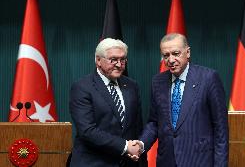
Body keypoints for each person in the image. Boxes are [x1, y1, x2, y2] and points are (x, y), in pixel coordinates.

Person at [132, 33, 229, 167]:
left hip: (199, 161)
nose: (170, 60)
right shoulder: (158, 81)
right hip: (167, 161)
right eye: (166, 55)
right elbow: (154, 122)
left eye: (175, 53)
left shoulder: (208, 78)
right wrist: (141, 144)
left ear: (187, 53)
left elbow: (221, 129)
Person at [69, 38, 147, 167]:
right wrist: (125, 146)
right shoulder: (82, 87)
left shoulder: (132, 86)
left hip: (128, 163)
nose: (118, 64)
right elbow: (87, 131)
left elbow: (137, 127)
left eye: (122, 60)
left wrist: (138, 149)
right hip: (94, 163)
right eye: (113, 59)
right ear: (98, 60)